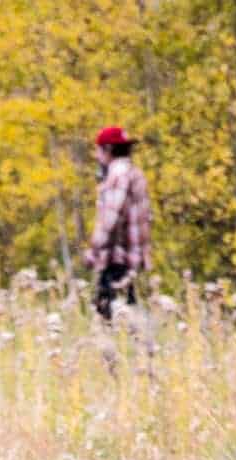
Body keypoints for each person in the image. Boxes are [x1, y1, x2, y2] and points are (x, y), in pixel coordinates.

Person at [85, 125, 151, 320]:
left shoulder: (117, 175)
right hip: (133, 259)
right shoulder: (135, 174)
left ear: (108, 149)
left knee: (111, 321)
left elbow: (110, 220)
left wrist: (93, 252)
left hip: (116, 259)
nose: (97, 156)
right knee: (128, 315)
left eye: (98, 150)